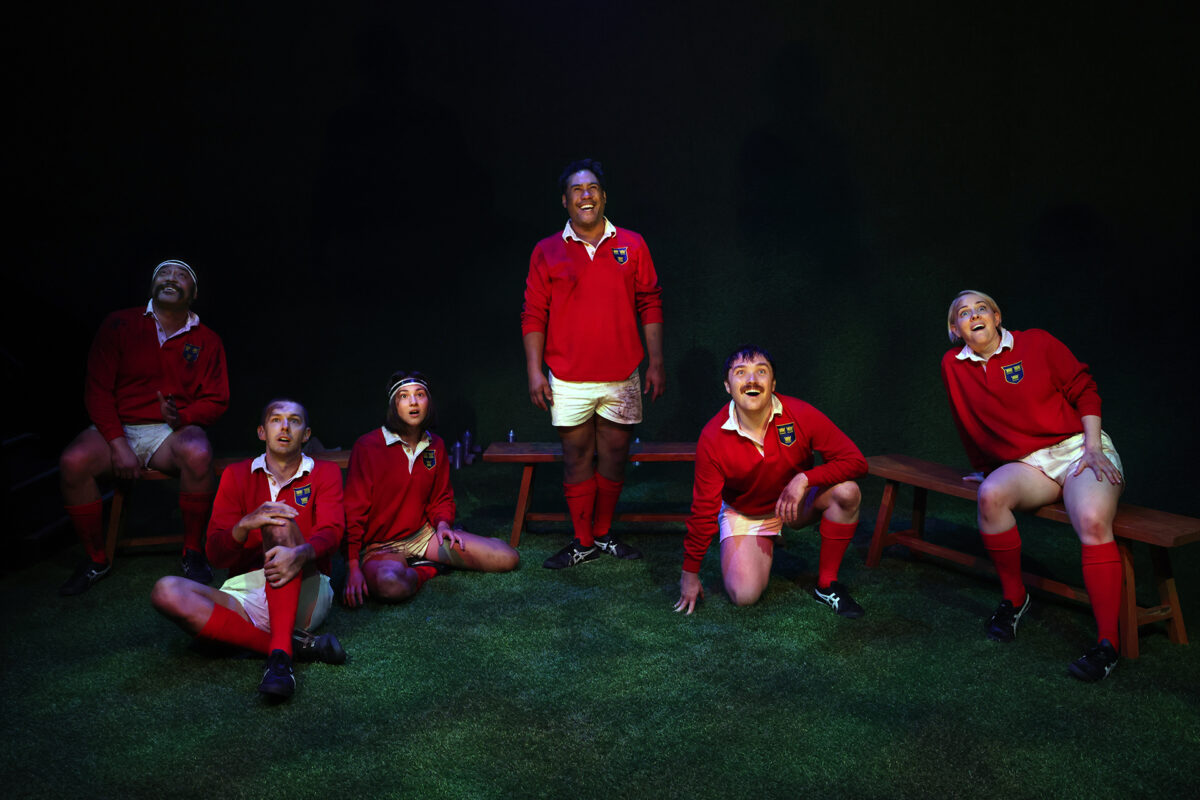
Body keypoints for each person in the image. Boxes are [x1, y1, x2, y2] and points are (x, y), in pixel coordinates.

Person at [941, 290, 1125, 682]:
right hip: (1028, 464)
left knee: (1092, 519)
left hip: (1078, 448)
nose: (974, 315)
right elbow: (967, 420)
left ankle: (1108, 644)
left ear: (996, 316)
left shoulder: (1036, 343)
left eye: (982, 308)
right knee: (990, 495)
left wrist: (1093, 448)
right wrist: (986, 468)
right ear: (955, 329)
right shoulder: (953, 365)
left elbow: (1085, 390)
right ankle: (1014, 599)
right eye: (963, 313)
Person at [521, 158, 665, 569]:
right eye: (577, 189)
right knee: (577, 457)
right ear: (565, 201)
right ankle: (582, 540)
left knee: (616, 454)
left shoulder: (632, 244)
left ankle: (602, 534)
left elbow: (650, 301)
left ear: (603, 196)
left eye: (593, 187)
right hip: (567, 376)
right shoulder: (547, 250)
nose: (586, 194)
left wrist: (655, 362)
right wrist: (534, 371)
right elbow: (533, 313)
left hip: (623, 373)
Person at [150, 399, 346, 700]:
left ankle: (279, 662)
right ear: (261, 432)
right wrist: (244, 525)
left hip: (305, 586)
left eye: (294, 421)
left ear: (306, 434)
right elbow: (215, 555)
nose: (284, 427)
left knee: (277, 521)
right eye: (275, 420)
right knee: (165, 591)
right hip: (246, 593)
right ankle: (296, 646)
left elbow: (332, 533)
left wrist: (299, 553)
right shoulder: (236, 475)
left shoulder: (325, 472)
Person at [58, 259, 229, 595]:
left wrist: (183, 417)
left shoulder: (207, 340)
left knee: (197, 450)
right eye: (163, 274)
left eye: (182, 276)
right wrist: (118, 443)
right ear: (152, 286)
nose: (171, 279)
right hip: (117, 428)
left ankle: (193, 553)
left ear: (193, 293)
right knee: (73, 461)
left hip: (169, 433)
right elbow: (97, 389)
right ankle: (96, 559)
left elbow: (217, 399)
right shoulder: (119, 324)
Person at [674, 345, 868, 616]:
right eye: (740, 372)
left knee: (847, 492)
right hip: (746, 512)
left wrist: (805, 478)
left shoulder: (800, 413)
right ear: (728, 387)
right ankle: (758, 540)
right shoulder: (712, 436)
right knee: (744, 595)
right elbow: (702, 511)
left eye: (761, 372)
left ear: (773, 383)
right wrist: (690, 573)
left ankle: (827, 585)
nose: (751, 380)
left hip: (793, 502)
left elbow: (856, 461)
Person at [342, 371, 519, 607]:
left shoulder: (435, 445)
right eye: (404, 396)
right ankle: (428, 570)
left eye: (420, 395)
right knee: (390, 584)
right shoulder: (368, 447)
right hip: (380, 546)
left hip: (423, 536)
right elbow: (352, 512)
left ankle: (426, 559)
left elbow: (441, 497)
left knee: (507, 558)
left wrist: (443, 524)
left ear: (428, 402)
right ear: (394, 406)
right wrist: (353, 565)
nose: (413, 402)